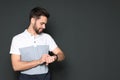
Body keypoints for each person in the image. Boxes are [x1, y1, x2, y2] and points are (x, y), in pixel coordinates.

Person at [9, 7, 65, 80]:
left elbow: (61, 55)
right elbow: (16, 66)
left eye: (45, 24)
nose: (44, 27)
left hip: (46, 77)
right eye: (42, 23)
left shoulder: (47, 37)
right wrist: (39, 61)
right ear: (33, 20)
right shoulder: (17, 39)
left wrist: (54, 57)